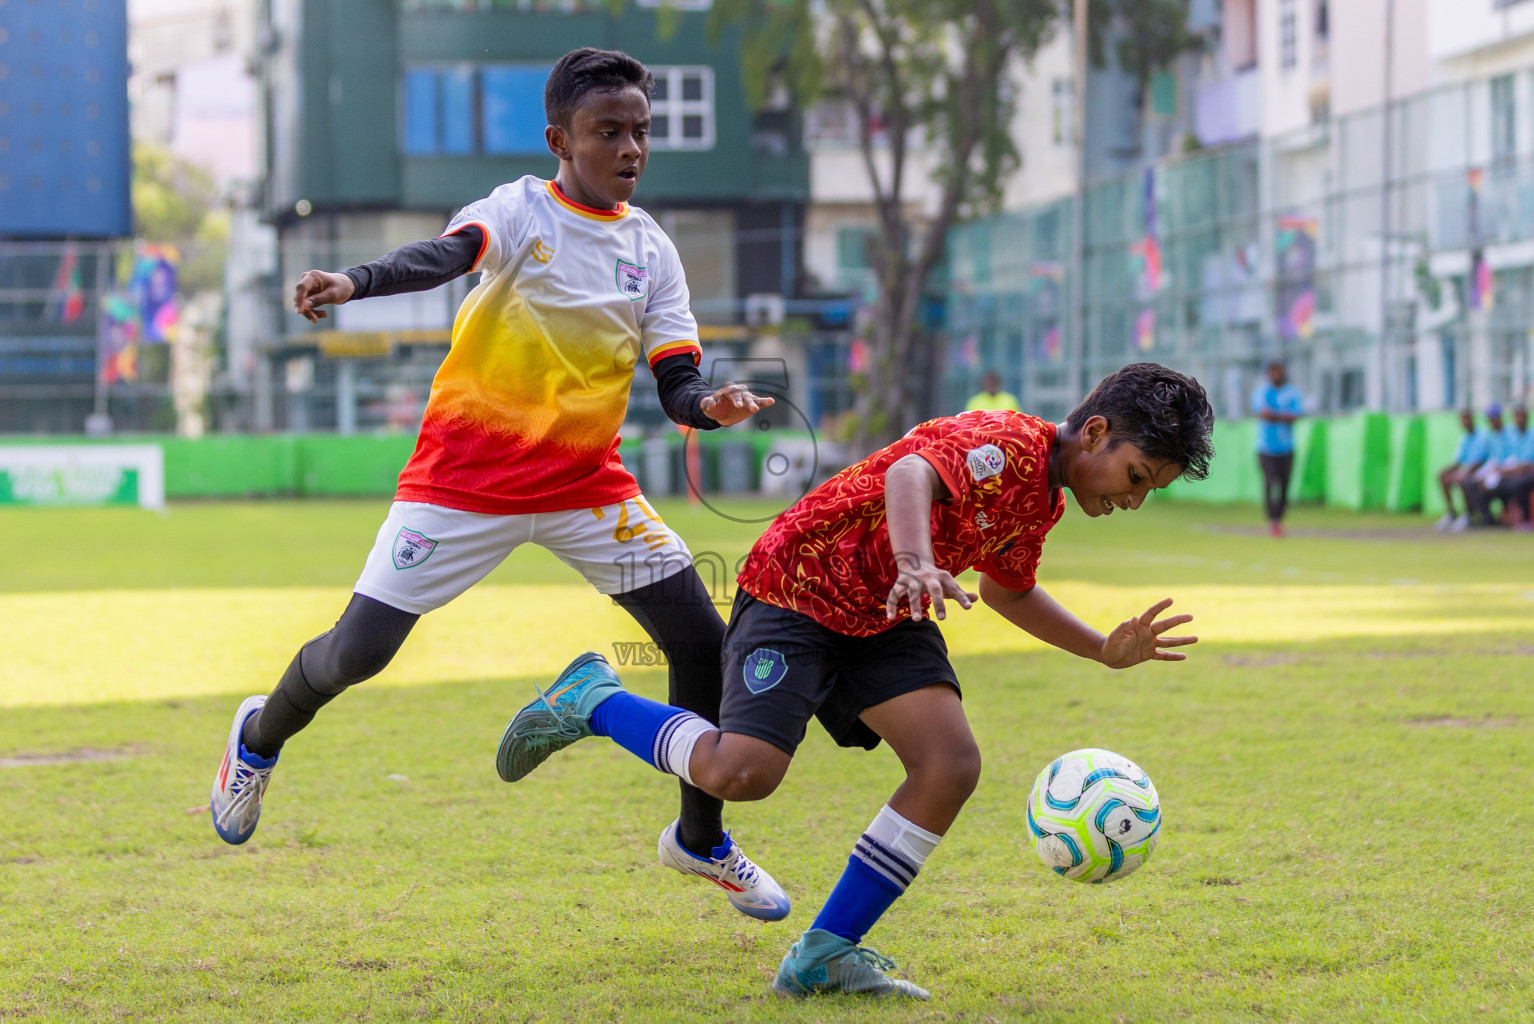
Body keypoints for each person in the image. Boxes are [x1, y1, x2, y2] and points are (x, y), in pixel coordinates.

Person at [208, 47, 792, 921]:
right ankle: (257, 739)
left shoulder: (652, 250)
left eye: (640, 131)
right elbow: (444, 255)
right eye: (608, 132)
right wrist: (353, 281)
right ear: (560, 138)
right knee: (356, 654)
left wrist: (714, 405)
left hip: (587, 489)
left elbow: (677, 384)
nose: (630, 148)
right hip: (462, 481)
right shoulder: (519, 211)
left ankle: (699, 840)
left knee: (702, 644)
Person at [496, 362, 1215, 1000]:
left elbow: (1008, 589)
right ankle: (592, 700)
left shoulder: (1043, 500)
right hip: (798, 589)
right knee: (742, 773)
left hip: (885, 613)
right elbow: (910, 474)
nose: (1134, 499)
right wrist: (914, 559)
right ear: (1094, 433)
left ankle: (824, 953)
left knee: (949, 764)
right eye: (1138, 478)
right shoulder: (1010, 442)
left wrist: (1100, 649)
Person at [1251, 359, 1303, 537]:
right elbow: (1264, 414)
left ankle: (1278, 519)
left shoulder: (1292, 392)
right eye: (1272, 372)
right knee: (1270, 481)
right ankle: (1272, 518)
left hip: (1286, 447)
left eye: (1278, 371)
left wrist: (1274, 416)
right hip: (1266, 447)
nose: (1276, 375)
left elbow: (1296, 416)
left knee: (1284, 484)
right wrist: (1283, 416)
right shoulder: (1262, 391)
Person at [1435, 409, 1491, 532]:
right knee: (1442, 476)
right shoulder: (1464, 439)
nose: (1465, 422)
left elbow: (1481, 461)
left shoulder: (1482, 436)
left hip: (1480, 472)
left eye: (1467, 418)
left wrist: (1464, 471)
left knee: (1462, 479)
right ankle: (1451, 513)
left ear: (1472, 419)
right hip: (1466, 471)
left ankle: (1468, 514)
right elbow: (1458, 461)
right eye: (1463, 419)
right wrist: (1446, 470)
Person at [1459, 404, 1509, 528]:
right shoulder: (1490, 437)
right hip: (1493, 470)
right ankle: (1482, 517)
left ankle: (1494, 518)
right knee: (1472, 483)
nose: (1492, 421)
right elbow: (1488, 460)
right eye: (1490, 419)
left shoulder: (1509, 434)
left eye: (1494, 418)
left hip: (1507, 470)